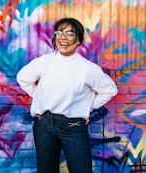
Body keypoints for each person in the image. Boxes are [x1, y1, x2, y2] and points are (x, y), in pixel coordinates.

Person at [16, 18, 118, 173]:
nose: (63, 37)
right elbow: (23, 78)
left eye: (70, 33)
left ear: (78, 40)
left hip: (73, 127)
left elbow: (109, 89)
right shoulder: (45, 62)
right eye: (59, 32)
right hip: (44, 125)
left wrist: (87, 107)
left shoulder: (87, 68)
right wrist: (39, 96)